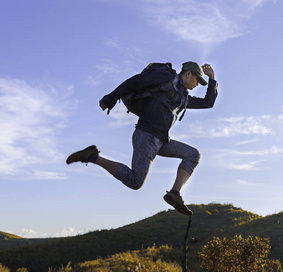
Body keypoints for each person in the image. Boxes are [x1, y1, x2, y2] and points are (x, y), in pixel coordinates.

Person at [66, 62, 218, 216]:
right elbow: (135, 82)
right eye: (197, 80)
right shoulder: (167, 78)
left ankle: (174, 193)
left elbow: (208, 103)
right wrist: (110, 98)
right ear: (188, 74)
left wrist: (212, 79)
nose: (197, 84)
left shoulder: (183, 97)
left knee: (193, 154)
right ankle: (92, 156)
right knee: (135, 181)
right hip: (146, 135)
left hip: (161, 140)